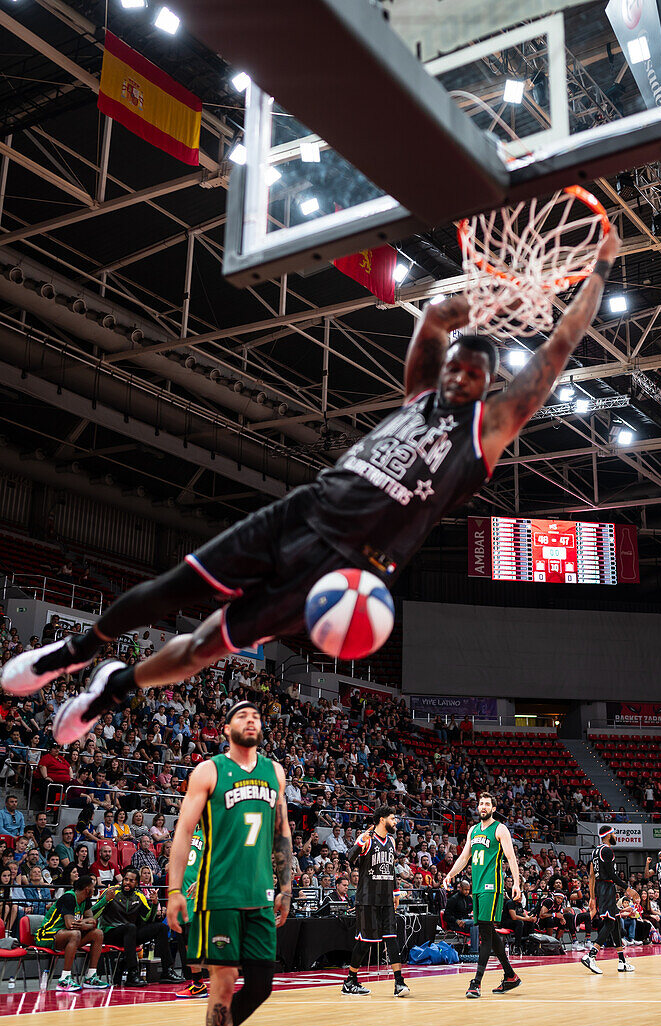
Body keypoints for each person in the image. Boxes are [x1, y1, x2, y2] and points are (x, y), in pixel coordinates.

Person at [0, 227, 622, 739]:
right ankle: (72, 653)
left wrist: (594, 274)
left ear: (489, 385)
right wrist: (485, 299)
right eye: (456, 368)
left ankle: (116, 687)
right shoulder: (418, 393)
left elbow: (559, 347)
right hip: (302, 514)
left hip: (340, 571)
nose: (460, 379)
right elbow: (433, 318)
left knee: (201, 649)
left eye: (473, 375)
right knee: (168, 589)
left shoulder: (487, 433)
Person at [167, 701, 292, 1026]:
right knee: (222, 986)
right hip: (217, 895)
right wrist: (172, 890)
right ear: (226, 729)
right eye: (241, 715)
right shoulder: (209, 771)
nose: (251, 719)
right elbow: (184, 832)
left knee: (261, 987)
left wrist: (286, 886)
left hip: (260, 895)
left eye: (256, 715)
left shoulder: (275, 772)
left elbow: (282, 832)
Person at [445, 791, 522, 996]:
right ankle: (510, 976)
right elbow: (464, 857)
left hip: (492, 886)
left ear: (494, 808)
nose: (484, 807)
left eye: (487, 804)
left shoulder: (500, 829)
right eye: (481, 804)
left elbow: (511, 857)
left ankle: (476, 982)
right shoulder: (473, 830)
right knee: (488, 932)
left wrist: (516, 882)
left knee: (485, 934)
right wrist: (450, 875)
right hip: (476, 887)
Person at [341, 805, 410, 998]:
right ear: (382, 819)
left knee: (392, 939)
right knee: (366, 942)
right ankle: (350, 981)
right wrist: (362, 840)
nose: (395, 821)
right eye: (392, 818)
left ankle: (399, 982)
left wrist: (396, 892)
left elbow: (391, 869)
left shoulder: (391, 841)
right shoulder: (367, 838)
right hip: (368, 899)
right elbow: (350, 857)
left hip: (386, 898)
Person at [93, 865, 182, 986]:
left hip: (131, 934)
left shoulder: (140, 896)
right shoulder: (111, 892)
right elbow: (92, 914)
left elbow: (148, 919)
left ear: (137, 882)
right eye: (126, 879)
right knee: (130, 927)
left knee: (161, 927)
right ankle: (132, 973)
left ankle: (167, 971)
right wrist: (106, 900)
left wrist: (155, 904)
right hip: (111, 932)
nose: (127, 883)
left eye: (131, 880)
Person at [34, 873, 109, 992]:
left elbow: (93, 922)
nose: (94, 890)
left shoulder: (85, 900)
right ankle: (64, 979)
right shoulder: (69, 897)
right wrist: (86, 923)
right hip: (47, 934)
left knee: (98, 933)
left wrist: (85, 923)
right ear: (87, 889)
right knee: (75, 933)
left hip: (66, 936)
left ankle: (90, 977)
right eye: (93, 888)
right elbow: (70, 925)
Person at [581, 825, 635, 976]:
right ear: (608, 835)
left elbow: (592, 875)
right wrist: (627, 888)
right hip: (606, 887)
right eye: (614, 834)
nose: (616, 836)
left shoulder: (595, 851)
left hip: (601, 888)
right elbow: (612, 874)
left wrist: (592, 896)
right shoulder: (607, 850)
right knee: (610, 923)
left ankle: (622, 961)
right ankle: (591, 955)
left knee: (616, 921)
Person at [174, 826, 209, 1001]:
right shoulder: (192, 832)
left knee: (193, 937)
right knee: (187, 940)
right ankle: (198, 983)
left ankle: (199, 984)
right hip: (183, 890)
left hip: (198, 891)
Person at [443, 878, 479, 951]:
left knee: (479, 923)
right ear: (461, 888)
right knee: (474, 924)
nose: (467, 892)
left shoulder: (469, 898)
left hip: (465, 922)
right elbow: (446, 915)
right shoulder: (453, 899)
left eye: (468, 890)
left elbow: (472, 910)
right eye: (465, 890)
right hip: (455, 923)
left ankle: (479, 949)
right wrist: (457, 921)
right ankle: (474, 950)